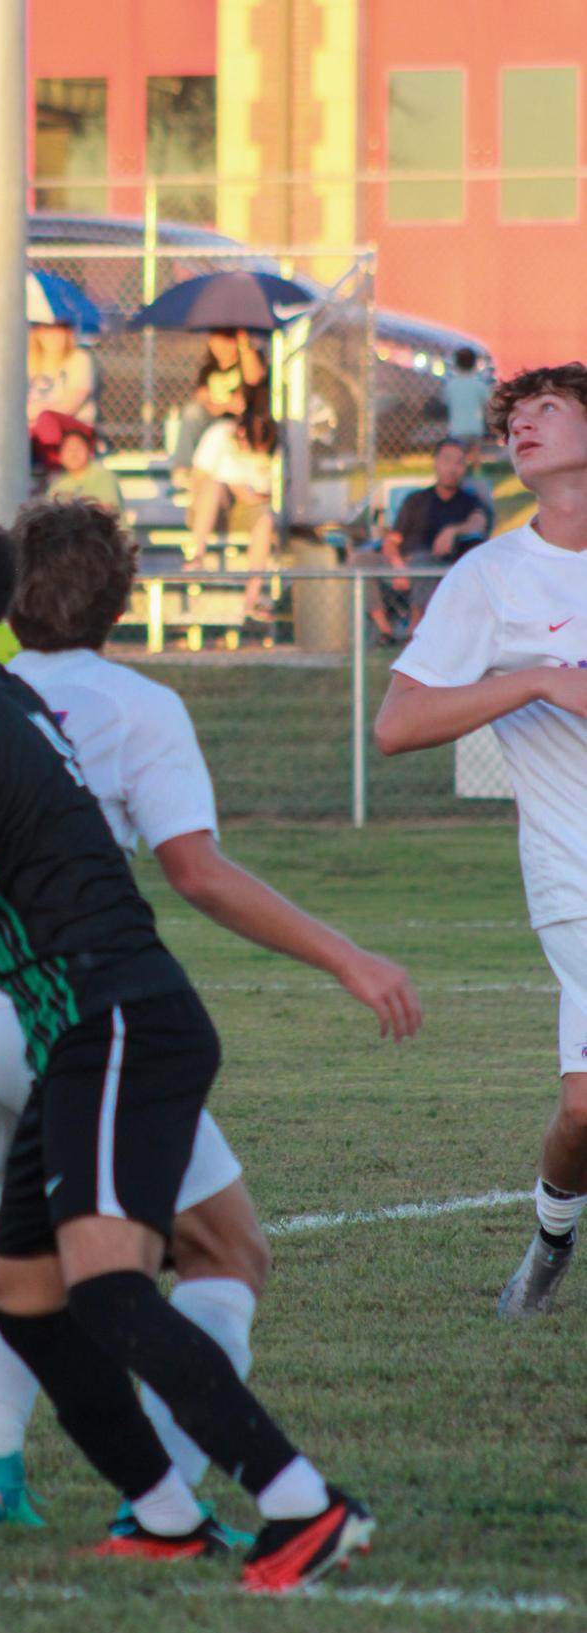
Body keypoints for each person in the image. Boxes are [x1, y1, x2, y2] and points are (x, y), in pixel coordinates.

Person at [0, 501, 383, 1594]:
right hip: (75, 1035)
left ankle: (303, 1504)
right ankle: (161, 1514)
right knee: (21, 1296)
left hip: (113, 1025)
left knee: (108, 1292)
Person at [376, 364, 587, 1320]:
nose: (523, 427)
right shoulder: (492, 576)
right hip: (574, 873)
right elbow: (397, 724)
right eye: (515, 417)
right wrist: (535, 681)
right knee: (586, 1111)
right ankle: (553, 1242)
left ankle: (548, 1237)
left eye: (549, 408)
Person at [351, 437, 492, 642]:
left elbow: (478, 524)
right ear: (436, 462)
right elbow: (392, 540)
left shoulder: (469, 501)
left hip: (438, 567)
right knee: (360, 560)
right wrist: (398, 565)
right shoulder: (416, 500)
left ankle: (413, 632)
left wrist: (452, 530)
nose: (452, 468)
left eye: (459, 462)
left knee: (423, 561)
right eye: (447, 460)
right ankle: (384, 631)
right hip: (402, 564)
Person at [185, 408, 280, 623]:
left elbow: (271, 490)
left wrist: (253, 495)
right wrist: (235, 487)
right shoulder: (218, 435)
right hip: (211, 510)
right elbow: (198, 479)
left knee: (266, 521)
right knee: (213, 486)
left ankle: (252, 598)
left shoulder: (273, 447)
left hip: (249, 512)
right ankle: (196, 557)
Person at [169, 330, 267, 486]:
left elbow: (254, 378)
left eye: (226, 341)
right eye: (215, 341)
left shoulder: (247, 363)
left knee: (219, 433)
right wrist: (226, 405)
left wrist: (245, 346)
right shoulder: (208, 370)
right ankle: (183, 470)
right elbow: (203, 400)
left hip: (241, 424)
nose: (221, 347)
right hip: (212, 421)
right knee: (193, 413)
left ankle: (198, 480)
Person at [27, 322, 97, 473]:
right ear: (37, 333)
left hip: (75, 429)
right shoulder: (30, 361)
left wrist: (36, 413)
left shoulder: (79, 358)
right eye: (47, 330)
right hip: (35, 426)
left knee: (46, 419)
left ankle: (55, 471)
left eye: (59, 330)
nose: (53, 337)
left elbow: (69, 406)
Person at [45, 421, 124, 511]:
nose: (73, 453)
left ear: (89, 452)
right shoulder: (57, 484)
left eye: (78, 448)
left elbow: (107, 508)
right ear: (60, 456)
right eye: (68, 449)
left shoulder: (104, 476)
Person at [442, 346, 493, 462]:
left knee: (459, 457)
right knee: (475, 454)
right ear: (474, 364)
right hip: (475, 428)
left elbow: (446, 402)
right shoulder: (479, 385)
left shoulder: (451, 385)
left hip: (457, 428)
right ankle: (476, 474)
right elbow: (488, 403)